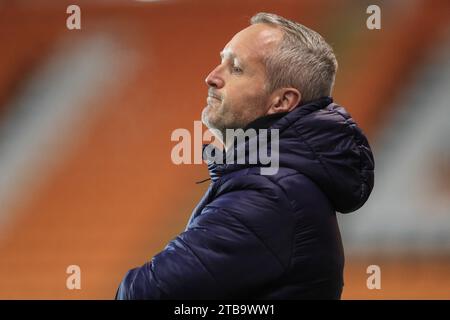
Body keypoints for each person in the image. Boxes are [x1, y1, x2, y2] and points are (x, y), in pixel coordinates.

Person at [116, 12, 374, 300]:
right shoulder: (278, 183)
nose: (212, 77)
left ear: (282, 101)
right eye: (222, 61)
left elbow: (143, 293)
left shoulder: (269, 195)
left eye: (235, 68)